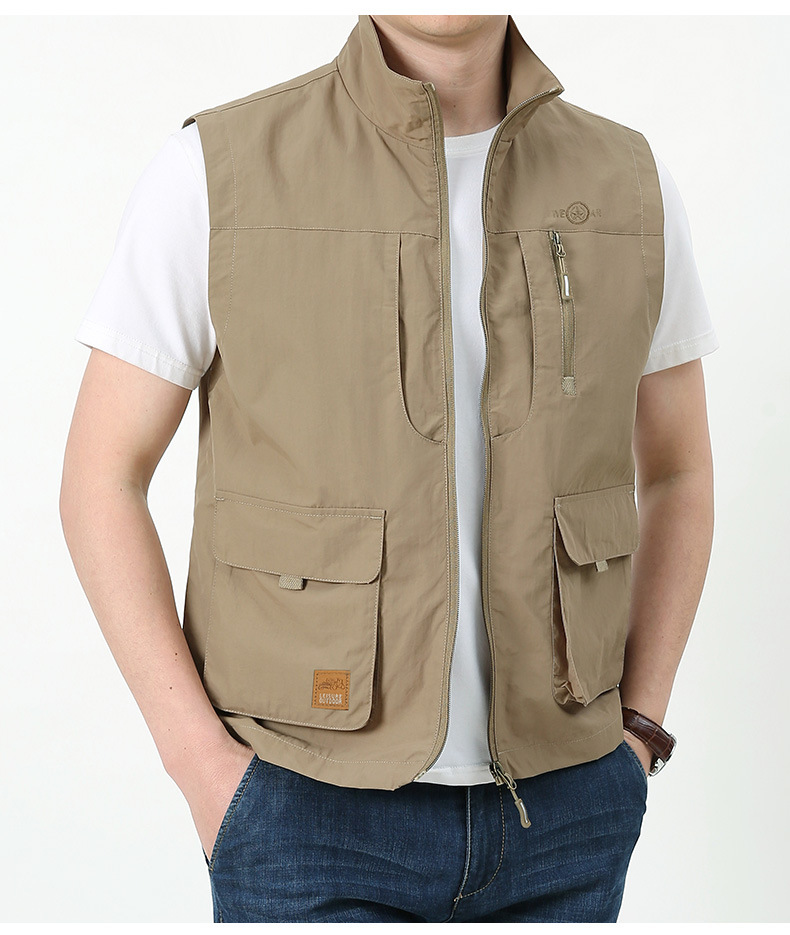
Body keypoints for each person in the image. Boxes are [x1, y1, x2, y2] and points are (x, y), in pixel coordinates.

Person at [60, 14, 719, 923]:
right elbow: (101, 475)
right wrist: (204, 769)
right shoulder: (218, 168)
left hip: (569, 807)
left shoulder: (628, 182)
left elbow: (679, 470)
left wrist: (638, 734)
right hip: (300, 803)